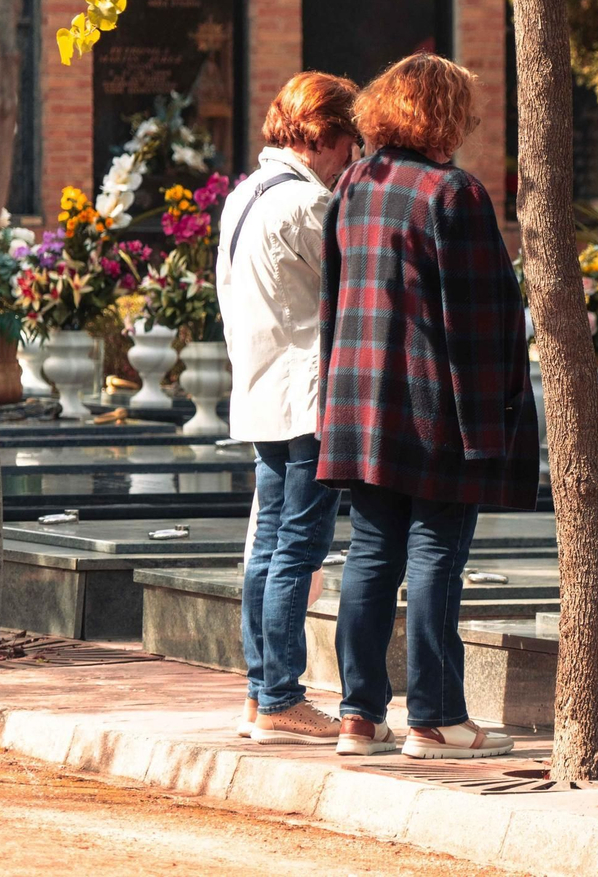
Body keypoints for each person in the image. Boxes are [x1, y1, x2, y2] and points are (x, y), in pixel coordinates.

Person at [317, 53, 537, 760]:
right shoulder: (455, 194)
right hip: (433, 400)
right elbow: (480, 319)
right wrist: (493, 424)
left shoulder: (356, 179)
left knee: (373, 551)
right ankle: (437, 718)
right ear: (443, 114)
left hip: (361, 397)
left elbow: (335, 297)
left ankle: (358, 714)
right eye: (465, 110)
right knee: (436, 551)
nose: (472, 123)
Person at [218, 70, 361, 745]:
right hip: (306, 396)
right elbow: (349, 293)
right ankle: (279, 697)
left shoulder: (245, 193)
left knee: (268, 546)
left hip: (259, 390)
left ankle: (260, 692)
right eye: (350, 146)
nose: (352, 162)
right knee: (297, 550)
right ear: (326, 137)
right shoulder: (307, 206)